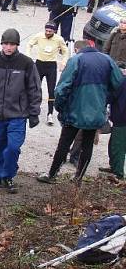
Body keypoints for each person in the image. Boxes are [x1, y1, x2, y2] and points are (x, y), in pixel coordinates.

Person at [38, 41, 124, 183]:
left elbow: (61, 89)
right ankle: (78, 178)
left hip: (74, 111)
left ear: (78, 49)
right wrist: (105, 100)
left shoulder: (76, 60)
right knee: (87, 145)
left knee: (64, 144)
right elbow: (119, 83)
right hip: (96, 112)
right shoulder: (107, 60)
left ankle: (52, 175)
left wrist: (59, 107)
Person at [0, 29, 42, 193]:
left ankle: (8, 175)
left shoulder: (26, 63)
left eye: (12, 44)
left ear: (17, 45)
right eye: (6, 44)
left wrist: (34, 113)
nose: (8, 47)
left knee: (13, 147)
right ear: (1, 44)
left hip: (18, 115)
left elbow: (34, 89)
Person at [27, 21, 68, 126]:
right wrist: (28, 56)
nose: (48, 32)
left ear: (54, 31)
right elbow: (29, 44)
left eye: (50, 31)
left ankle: (50, 113)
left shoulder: (59, 39)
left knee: (51, 90)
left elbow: (65, 51)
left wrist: (63, 62)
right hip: (39, 64)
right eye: (46, 30)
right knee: (36, 87)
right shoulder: (39, 36)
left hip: (51, 65)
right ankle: (34, 109)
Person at [104, 62, 126, 179]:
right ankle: (113, 166)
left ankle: (118, 174)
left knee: (118, 147)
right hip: (120, 118)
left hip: (121, 119)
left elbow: (110, 97)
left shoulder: (120, 82)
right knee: (113, 144)